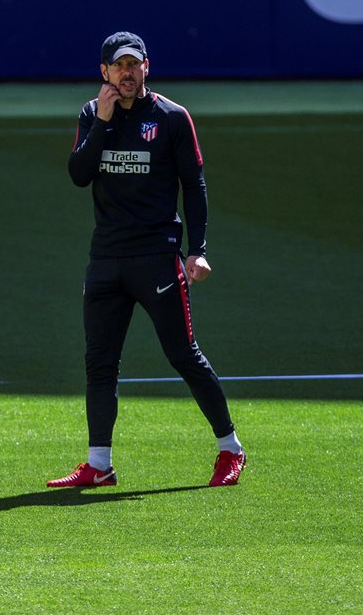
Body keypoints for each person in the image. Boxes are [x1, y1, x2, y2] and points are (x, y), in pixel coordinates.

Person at [50, 31, 246, 489]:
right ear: (104, 73)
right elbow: (79, 175)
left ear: (146, 68)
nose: (126, 73)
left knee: (183, 355)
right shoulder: (91, 114)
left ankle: (231, 449)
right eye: (118, 66)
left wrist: (196, 251)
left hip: (157, 257)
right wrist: (101, 120)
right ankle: (99, 464)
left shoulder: (172, 118)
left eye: (133, 64)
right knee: (99, 363)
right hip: (106, 258)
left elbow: (193, 186)